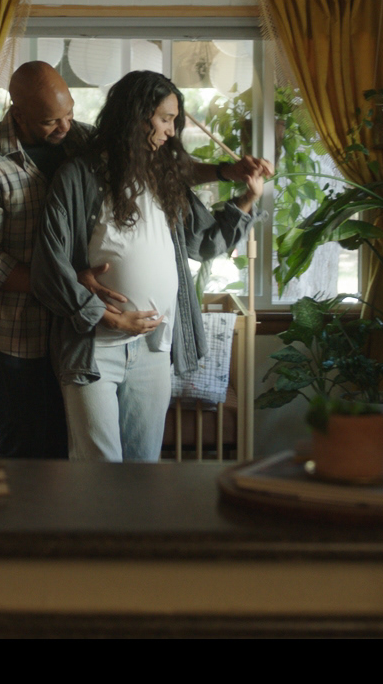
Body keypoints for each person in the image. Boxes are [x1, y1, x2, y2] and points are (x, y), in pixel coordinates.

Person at [32, 70, 271, 462]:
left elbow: (204, 244)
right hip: (94, 348)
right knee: (99, 468)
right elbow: (49, 268)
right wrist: (108, 317)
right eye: (165, 119)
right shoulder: (78, 176)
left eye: (174, 120)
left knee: (143, 469)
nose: (172, 131)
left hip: (154, 348)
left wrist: (247, 198)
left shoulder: (163, 179)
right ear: (136, 117)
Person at [0, 61, 84, 458]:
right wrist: (69, 285)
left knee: (60, 442)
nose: (65, 126)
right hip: (6, 329)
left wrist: (221, 171)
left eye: (69, 113)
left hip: (61, 323)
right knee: (26, 445)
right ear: (18, 113)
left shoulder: (78, 139)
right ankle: (13, 502)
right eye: (50, 121)